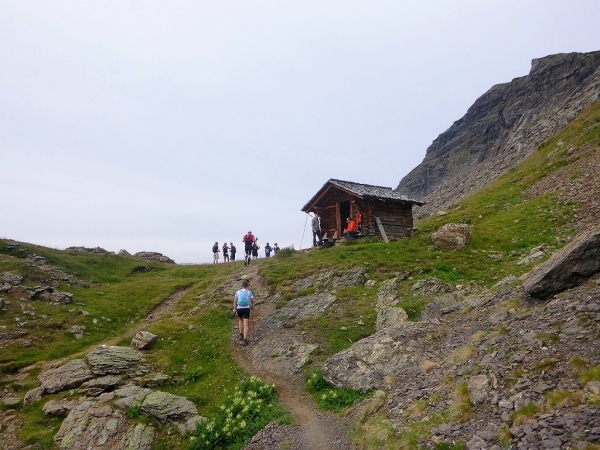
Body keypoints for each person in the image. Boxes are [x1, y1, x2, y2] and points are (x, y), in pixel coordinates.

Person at [233, 279, 254, 346]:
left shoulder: (237, 292)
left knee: (240, 320)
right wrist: (252, 303)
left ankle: (240, 334)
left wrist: (234, 309)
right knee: (246, 324)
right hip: (246, 309)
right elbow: (253, 301)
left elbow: (235, 301)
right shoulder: (249, 292)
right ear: (247, 286)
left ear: (241, 285)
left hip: (239, 309)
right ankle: (244, 340)